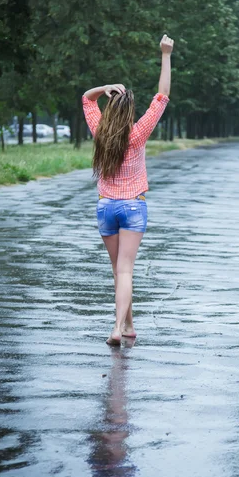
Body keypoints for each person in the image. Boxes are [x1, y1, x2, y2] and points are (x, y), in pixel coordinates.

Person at [82, 34, 174, 345]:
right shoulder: (138, 134)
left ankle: (129, 325)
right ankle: (117, 328)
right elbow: (162, 95)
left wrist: (103, 88)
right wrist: (165, 54)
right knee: (126, 271)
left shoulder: (100, 132)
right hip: (134, 206)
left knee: (118, 271)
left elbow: (86, 98)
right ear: (131, 111)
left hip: (106, 207)